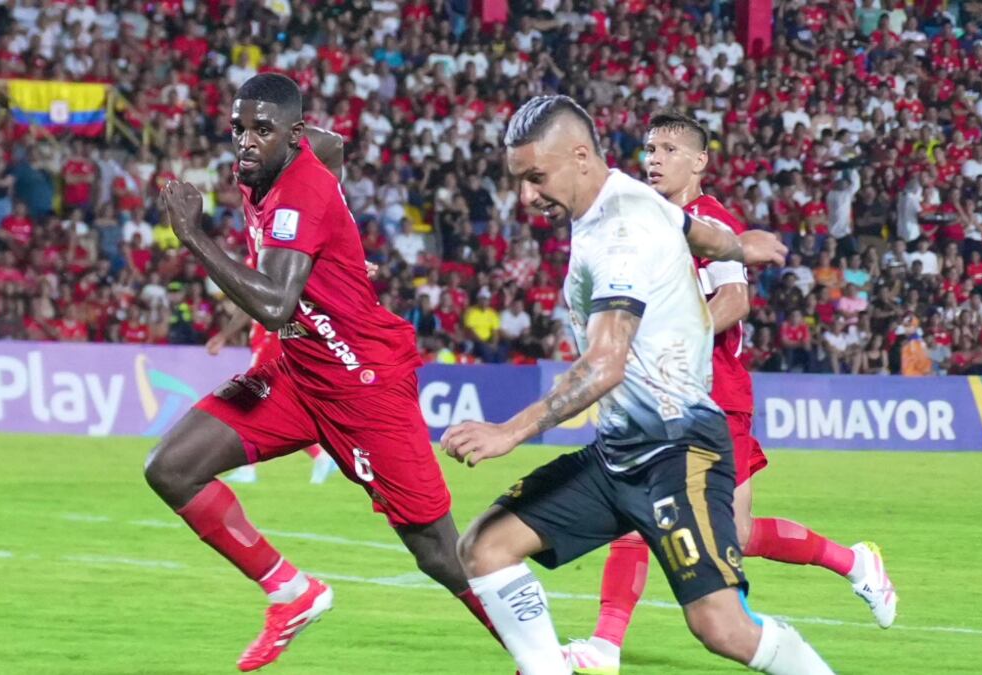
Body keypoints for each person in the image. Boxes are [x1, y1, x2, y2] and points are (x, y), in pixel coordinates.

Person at [443, 96, 830, 675]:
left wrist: (510, 430)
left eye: (535, 178)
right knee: (485, 547)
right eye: (519, 181)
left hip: (680, 450)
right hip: (622, 451)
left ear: (579, 156)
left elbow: (604, 365)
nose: (526, 197)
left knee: (721, 628)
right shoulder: (625, 192)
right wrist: (738, 246)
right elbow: (690, 229)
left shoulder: (615, 238)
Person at [146, 74, 495, 672]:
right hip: (296, 372)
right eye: (240, 129)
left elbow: (276, 304)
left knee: (437, 552)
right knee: (171, 468)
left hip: (363, 382)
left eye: (263, 130)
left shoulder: (300, 190)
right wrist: (342, 243)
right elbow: (331, 148)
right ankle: (291, 593)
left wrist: (193, 235)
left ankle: (543, 656)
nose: (247, 142)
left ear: (292, 134)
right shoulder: (276, 164)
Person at [561, 111, 894, 673]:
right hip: (663, 399)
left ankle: (852, 561)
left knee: (732, 534)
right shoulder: (649, 220)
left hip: (717, 397)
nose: (655, 158)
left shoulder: (709, 219)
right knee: (637, 510)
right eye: (649, 147)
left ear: (700, 162)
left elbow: (735, 302)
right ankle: (605, 645)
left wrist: (669, 339)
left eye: (669, 149)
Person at [205, 126, 347, 486]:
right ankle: (318, 455)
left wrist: (223, 336)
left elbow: (251, 307)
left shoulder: (276, 250)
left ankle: (257, 466)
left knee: (249, 397)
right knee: (269, 403)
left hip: (273, 336)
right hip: (265, 335)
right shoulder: (263, 244)